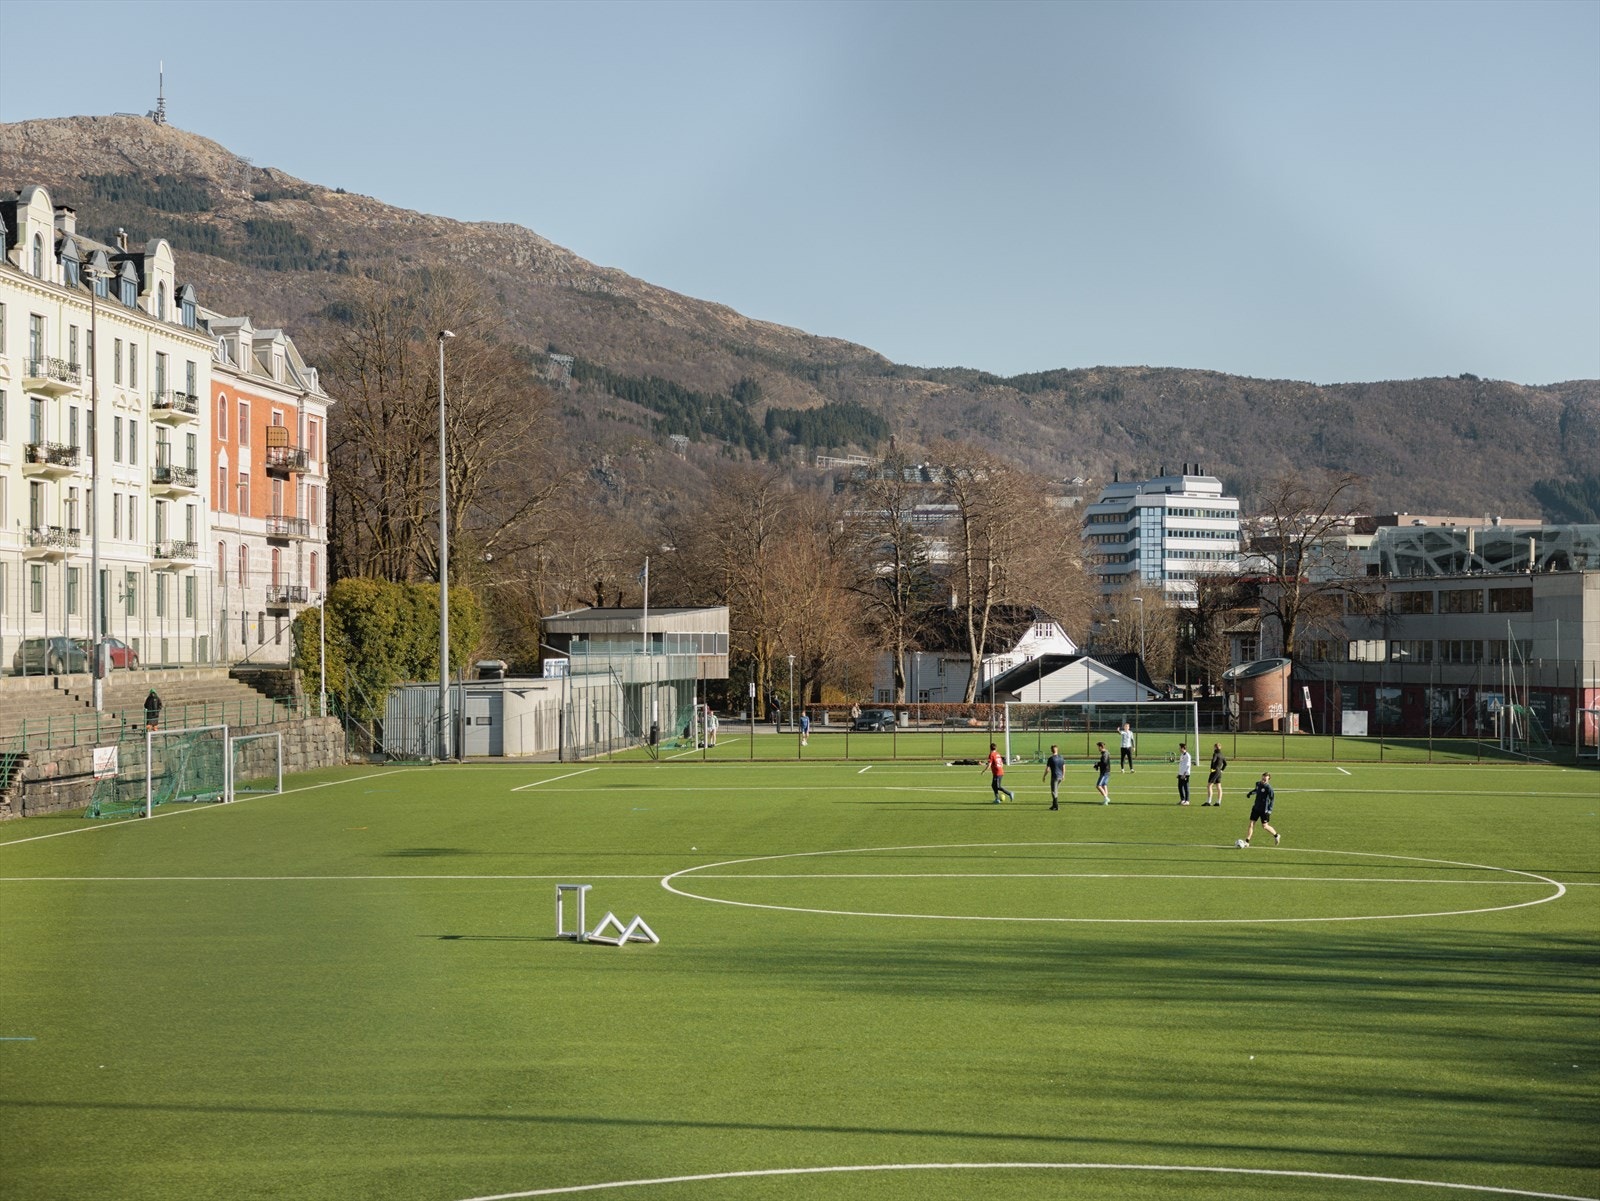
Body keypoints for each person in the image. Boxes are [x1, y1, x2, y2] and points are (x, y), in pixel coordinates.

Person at [1242, 772, 1280, 846]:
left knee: (1265, 826)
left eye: (1266, 778)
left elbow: (1272, 799)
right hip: (1256, 808)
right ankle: (1247, 841)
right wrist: (1250, 793)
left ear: (1268, 779)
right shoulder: (1258, 784)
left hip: (1264, 810)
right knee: (1251, 824)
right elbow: (1256, 790)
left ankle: (1276, 835)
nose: (1264, 779)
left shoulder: (1269, 788)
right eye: (1263, 777)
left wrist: (1270, 810)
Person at [1043, 744, 1066, 810]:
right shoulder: (1061, 757)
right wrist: (1063, 775)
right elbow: (1064, 767)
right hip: (1060, 777)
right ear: (1057, 749)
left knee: (1053, 791)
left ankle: (1056, 805)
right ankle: (1053, 805)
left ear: (1051, 750)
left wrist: (1044, 776)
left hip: (1055, 777)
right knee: (1056, 791)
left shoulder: (1051, 758)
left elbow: (1047, 769)